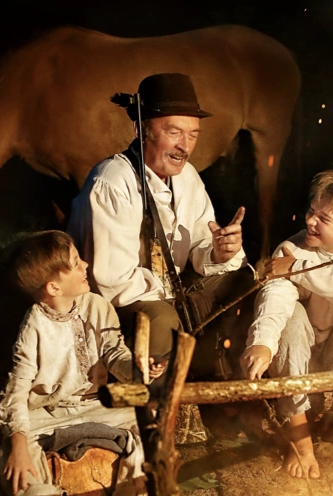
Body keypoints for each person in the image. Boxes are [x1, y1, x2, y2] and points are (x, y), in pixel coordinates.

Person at [0, 231, 165, 496]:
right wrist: (19, 442)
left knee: (148, 416)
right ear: (53, 287)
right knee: (8, 452)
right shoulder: (34, 327)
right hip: (47, 412)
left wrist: (139, 368)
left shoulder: (97, 306)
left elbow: (115, 352)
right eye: (74, 263)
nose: (85, 264)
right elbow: (18, 386)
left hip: (95, 403)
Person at [67, 72, 248, 368]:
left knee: (243, 281)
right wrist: (176, 300)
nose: (185, 147)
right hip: (120, 305)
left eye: (192, 135)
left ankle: (223, 387)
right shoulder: (112, 183)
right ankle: (156, 407)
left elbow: (199, 245)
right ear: (142, 129)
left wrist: (218, 251)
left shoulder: (187, 177)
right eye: (175, 133)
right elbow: (113, 282)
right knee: (163, 320)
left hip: (169, 291)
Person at [240, 165, 333, 480]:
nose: (310, 221)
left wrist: (301, 268)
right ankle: (302, 439)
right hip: (302, 354)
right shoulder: (292, 247)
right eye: (312, 211)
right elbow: (275, 295)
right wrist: (263, 342)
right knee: (291, 317)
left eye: (324, 219)